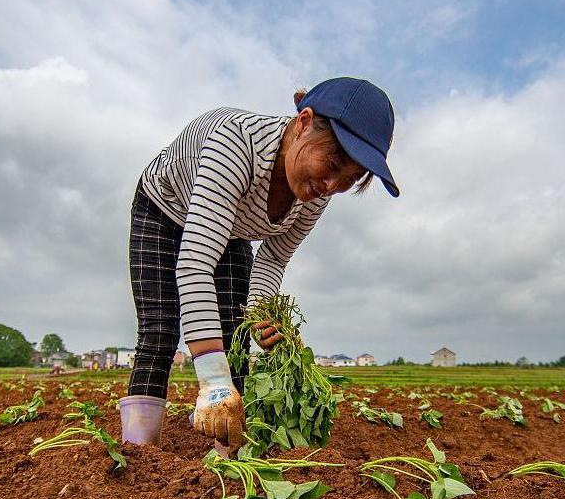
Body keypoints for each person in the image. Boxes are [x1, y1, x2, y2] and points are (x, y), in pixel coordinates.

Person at [119, 77, 399, 449]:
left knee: (234, 335)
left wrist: (260, 317)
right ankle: (138, 453)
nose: (331, 184)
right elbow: (195, 265)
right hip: (164, 209)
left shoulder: (317, 192)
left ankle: (225, 455)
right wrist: (214, 384)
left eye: (348, 179)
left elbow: (272, 259)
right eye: (331, 163)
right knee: (161, 331)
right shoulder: (236, 145)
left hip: (231, 228)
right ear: (303, 123)